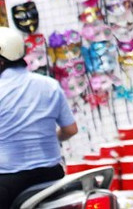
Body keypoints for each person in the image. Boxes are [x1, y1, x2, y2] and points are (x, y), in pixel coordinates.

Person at [0, 26, 78, 207]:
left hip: (8, 183)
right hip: (52, 177)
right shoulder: (50, 85)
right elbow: (70, 129)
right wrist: (53, 137)